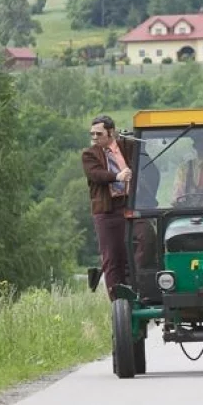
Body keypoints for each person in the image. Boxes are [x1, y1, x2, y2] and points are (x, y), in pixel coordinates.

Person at [82, 115, 157, 300]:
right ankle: (118, 301)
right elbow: (96, 175)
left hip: (130, 205)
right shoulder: (89, 154)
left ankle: (134, 280)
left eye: (98, 133)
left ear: (112, 132)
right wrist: (118, 176)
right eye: (92, 134)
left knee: (147, 237)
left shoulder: (128, 147)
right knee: (111, 257)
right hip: (107, 211)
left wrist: (146, 194)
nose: (94, 137)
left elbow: (150, 169)